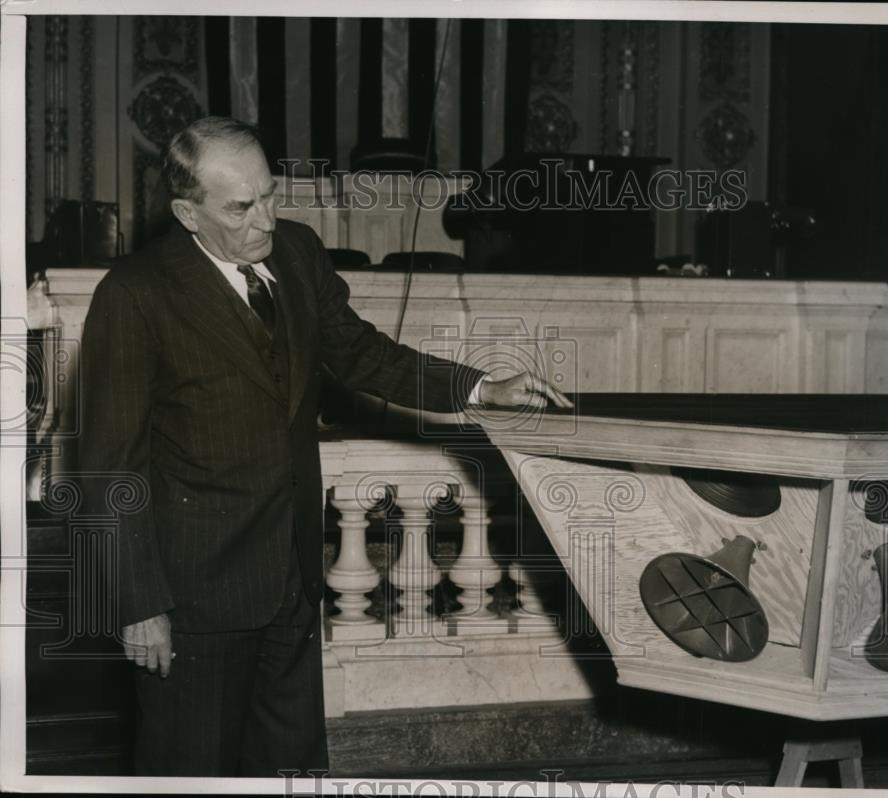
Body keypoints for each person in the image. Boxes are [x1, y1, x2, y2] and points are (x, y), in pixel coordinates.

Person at [78, 116, 571, 777]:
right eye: (240, 207)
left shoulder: (298, 255)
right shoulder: (136, 293)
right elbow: (109, 467)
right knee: (189, 774)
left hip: (290, 580)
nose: (264, 221)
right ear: (187, 214)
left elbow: (365, 355)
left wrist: (482, 388)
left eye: (270, 195)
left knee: (291, 769)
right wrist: (139, 606)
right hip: (193, 597)